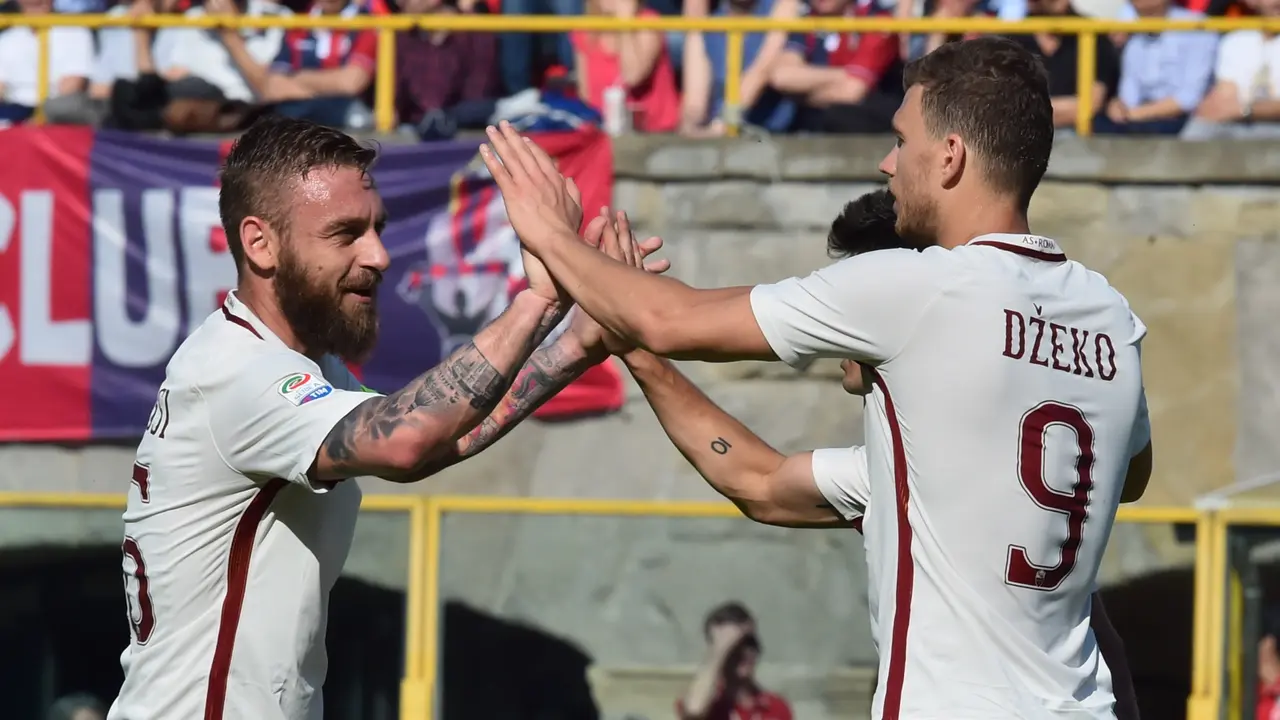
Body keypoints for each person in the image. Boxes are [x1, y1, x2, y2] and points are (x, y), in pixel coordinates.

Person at [479, 34, 1153, 719]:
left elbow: (667, 316)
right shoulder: (1112, 318)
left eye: (902, 139)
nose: (888, 162)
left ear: (950, 156)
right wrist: (641, 358)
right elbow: (762, 484)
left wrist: (550, 236)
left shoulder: (923, 290)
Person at [106, 115, 667, 720]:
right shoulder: (240, 375)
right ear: (260, 243)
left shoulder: (290, 365)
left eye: (377, 229)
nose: (377, 255)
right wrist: (541, 300)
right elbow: (407, 438)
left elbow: (429, 439)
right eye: (345, 233)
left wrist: (577, 344)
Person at [678, 602, 793, 720]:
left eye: (750, 643)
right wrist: (720, 649)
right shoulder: (706, 701)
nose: (744, 653)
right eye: (735, 646)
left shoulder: (776, 707)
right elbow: (694, 711)